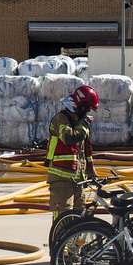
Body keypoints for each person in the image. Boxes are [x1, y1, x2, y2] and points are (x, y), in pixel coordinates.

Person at [46, 85, 98, 221]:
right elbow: (69, 138)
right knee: (64, 216)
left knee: (80, 216)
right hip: (61, 178)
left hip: (78, 178)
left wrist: (91, 173)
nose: (87, 112)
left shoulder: (80, 123)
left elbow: (85, 152)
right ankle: (60, 242)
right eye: (87, 108)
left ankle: (74, 243)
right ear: (81, 104)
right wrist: (84, 124)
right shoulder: (61, 118)